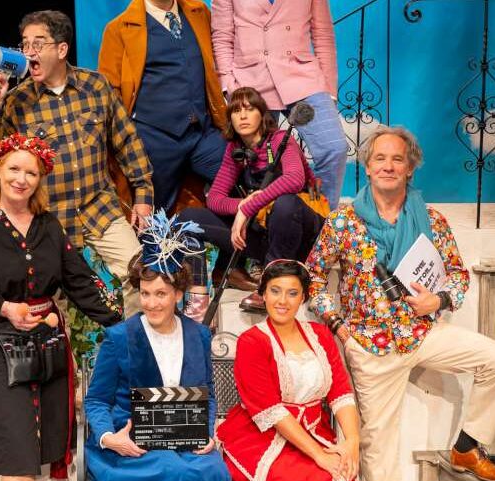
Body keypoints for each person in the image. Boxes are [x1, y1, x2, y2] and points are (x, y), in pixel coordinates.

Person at [306, 126, 495, 481]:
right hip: (371, 346)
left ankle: (468, 447)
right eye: (380, 158)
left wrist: (439, 301)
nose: (388, 166)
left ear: (410, 168)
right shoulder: (343, 222)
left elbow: (457, 275)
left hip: (423, 333)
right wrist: (338, 326)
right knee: (379, 452)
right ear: (367, 167)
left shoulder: (431, 220)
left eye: (397, 159)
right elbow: (314, 279)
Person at [0, 134, 122, 481]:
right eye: (14, 169)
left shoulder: (49, 227)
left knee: (37, 449)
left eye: (32, 173)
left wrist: (126, 324)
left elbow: (80, 282)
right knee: (17, 455)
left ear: (41, 180)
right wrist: (4, 308)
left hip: (47, 348)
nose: (21, 179)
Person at [0, 10, 153, 317]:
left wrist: (143, 195)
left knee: (140, 273)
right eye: (25, 44)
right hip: (48, 218)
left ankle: (133, 343)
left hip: (99, 208)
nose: (28, 51)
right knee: (46, 297)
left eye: (38, 43)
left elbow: (127, 141)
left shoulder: (95, 86)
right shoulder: (17, 101)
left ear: (61, 49)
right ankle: (61, 349)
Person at [83, 212, 233, 481]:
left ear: (178, 294)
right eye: (145, 294)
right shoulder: (119, 338)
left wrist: (207, 433)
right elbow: (97, 400)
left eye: (161, 294)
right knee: (173, 473)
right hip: (132, 444)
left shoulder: (199, 335)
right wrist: (108, 438)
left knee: (213, 472)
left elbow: (208, 393)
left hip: (186, 443)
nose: (151, 303)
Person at [217, 260, 362, 481]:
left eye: (292, 293)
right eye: (275, 291)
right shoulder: (251, 342)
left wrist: (352, 442)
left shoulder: (321, 335)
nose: (282, 301)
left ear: (303, 297)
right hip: (261, 438)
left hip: (316, 432)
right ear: (263, 294)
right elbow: (270, 411)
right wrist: (320, 456)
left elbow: (341, 393)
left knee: (343, 478)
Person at [180, 87, 324, 314]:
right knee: (189, 218)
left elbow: (294, 179)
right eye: (236, 111)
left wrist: (248, 208)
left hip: (299, 234)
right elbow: (215, 199)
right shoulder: (236, 149)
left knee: (284, 204)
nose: (243, 116)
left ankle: (270, 284)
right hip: (267, 236)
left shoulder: (280, 139)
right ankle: (197, 305)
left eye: (249, 109)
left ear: (262, 114)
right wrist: (240, 205)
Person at [211, 0, 349, 209]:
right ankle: (267, 220)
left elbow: (323, 34)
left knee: (334, 148)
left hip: (302, 77)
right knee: (258, 166)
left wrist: (328, 89)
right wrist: (229, 85)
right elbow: (222, 36)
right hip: (250, 81)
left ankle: (320, 219)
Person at [98, 0, 227, 212]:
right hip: (154, 138)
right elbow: (110, 91)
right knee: (154, 214)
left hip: (202, 131)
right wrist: (128, 140)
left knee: (236, 179)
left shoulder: (199, 12)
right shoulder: (119, 28)